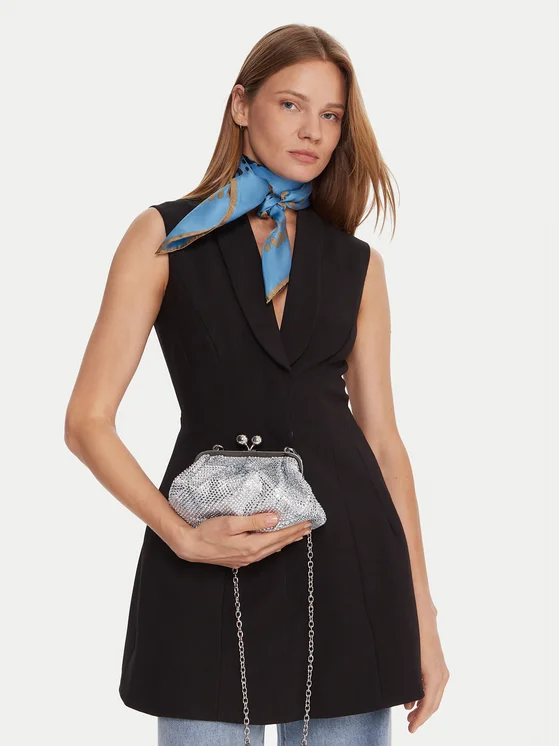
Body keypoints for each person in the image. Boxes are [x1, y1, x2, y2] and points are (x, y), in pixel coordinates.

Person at [64, 23, 449, 746]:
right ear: (241, 105)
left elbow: (383, 443)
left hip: (346, 566)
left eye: (331, 115)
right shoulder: (165, 237)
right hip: (206, 558)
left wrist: (422, 618)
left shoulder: (358, 265)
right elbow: (86, 421)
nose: (313, 131)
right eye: (290, 105)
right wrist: (181, 537)